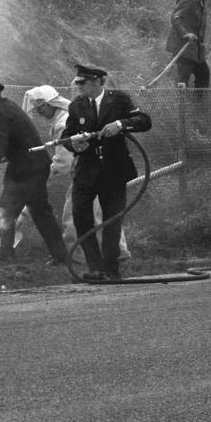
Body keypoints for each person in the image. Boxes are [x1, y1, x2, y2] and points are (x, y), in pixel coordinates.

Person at [18, 85, 132, 262]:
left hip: (87, 173)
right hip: (99, 169)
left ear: (50, 104)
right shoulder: (67, 117)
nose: (40, 113)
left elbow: (64, 163)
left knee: (72, 214)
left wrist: (43, 175)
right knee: (102, 213)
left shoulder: (63, 123)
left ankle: (77, 256)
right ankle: (119, 251)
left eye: (41, 109)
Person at [60, 65, 151, 280]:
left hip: (114, 171)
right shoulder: (77, 106)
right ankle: (95, 267)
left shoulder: (119, 100)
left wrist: (120, 124)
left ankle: (111, 269)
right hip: (86, 172)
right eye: (78, 83)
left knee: (112, 221)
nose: (79, 86)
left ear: (99, 81)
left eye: (83, 82)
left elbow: (144, 121)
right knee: (82, 218)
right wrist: (76, 144)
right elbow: (67, 136)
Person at [0, 74, 68, 265]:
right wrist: (6, 156)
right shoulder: (8, 106)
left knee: (4, 213)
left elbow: (0, 144)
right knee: (41, 212)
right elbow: (16, 140)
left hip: (25, 169)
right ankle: (61, 256)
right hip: (37, 164)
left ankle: (5, 258)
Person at [166, 0, 211, 88]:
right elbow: (176, 17)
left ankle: (197, 105)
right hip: (183, 47)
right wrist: (185, 33)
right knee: (183, 82)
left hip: (195, 50)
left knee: (204, 75)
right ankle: (181, 107)